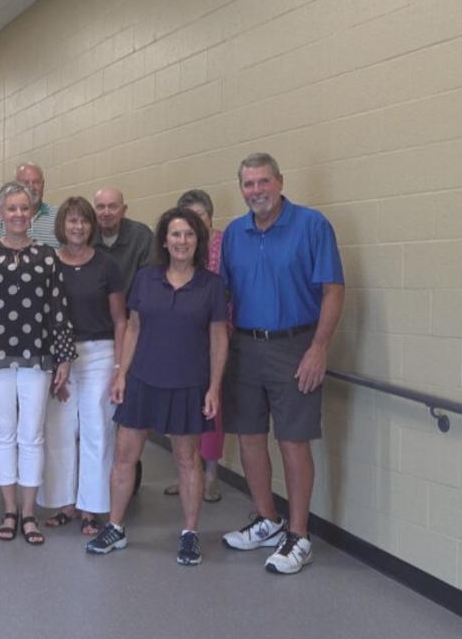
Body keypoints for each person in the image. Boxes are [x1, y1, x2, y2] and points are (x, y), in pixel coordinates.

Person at [220, 153, 344, 575]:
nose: (256, 190)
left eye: (263, 182)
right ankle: (267, 519)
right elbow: (223, 297)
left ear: (280, 181)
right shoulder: (235, 234)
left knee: (292, 440)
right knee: (251, 436)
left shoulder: (312, 226)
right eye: (248, 184)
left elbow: (332, 290)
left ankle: (299, 534)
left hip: (295, 346)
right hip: (245, 346)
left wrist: (319, 348)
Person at [85, 208, 228, 566]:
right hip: (143, 379)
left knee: (187, 460)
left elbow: (218, 338)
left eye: (189, 235)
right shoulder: (147, 279)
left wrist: (213, 387)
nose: (182, 241)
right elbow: (132, 327)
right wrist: (121, 374)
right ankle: (115, 527)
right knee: (124, 458)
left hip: (189, 382)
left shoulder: (211, 285)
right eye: (176, 234)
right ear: (164, 240)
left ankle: (190, 533)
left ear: (199, 241)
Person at [0, 181, 75, 545]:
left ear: (32, 213)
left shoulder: (46, 256)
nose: (18, 215)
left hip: (36, 360)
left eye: (24, 208)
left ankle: (29, 513)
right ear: (0, 213)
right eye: (11, 209)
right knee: (3, 434)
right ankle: (8, 509)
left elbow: (58, 310)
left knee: (32, 436)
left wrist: (63, 358)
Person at [39, 197, 126, 536]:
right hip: (58, 357)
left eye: (84, 221)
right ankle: (64, 504)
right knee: (58, 429)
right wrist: (51, 362)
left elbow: (120, 320)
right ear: (62, 225)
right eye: (72, 221)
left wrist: (120, 366)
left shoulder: (107, 265)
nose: (78, 227)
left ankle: (92, 508)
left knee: (96, 428)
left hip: (99, 353)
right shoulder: (48, 263)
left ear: (92, 227)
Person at [163, 189, 228, 503]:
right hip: (180, 339)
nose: (195, 226)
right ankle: (186, 473)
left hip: (214, 333)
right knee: (181, 410)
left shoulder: (223, 245)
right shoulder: (179, 248)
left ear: (211, 217)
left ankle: (211, 475)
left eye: (200, 217)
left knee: (210, 407)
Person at [92, 186, 152, 493]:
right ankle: (98, 481)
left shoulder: (142, 238)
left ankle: (128, 479)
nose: (105, 212)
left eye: (112, 206)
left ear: (124, 209)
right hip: (95, 334)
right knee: (98, 411)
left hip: (133, 331)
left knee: (126, 410)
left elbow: (148, 287)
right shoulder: (87, 235)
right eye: (100, 207)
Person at [0, 162, 59, 247]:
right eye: (25, 183)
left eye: (36, 182)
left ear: (43, 184)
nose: (31, 187)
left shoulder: (59, 218)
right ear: (15, 185)